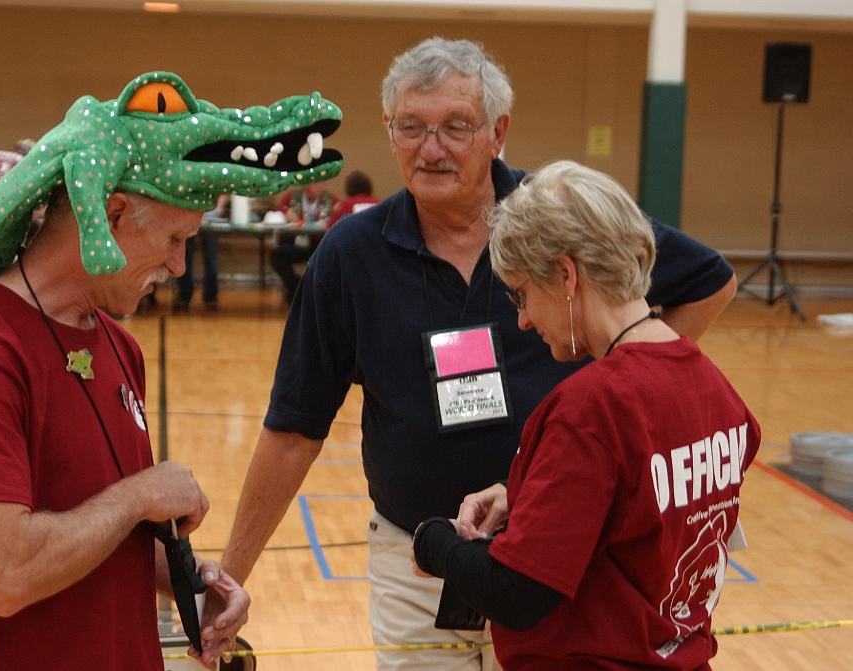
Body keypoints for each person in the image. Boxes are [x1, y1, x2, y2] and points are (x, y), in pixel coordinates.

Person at [218, 38, 738, 671]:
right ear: (389, 132)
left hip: (564, 562)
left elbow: (710, 279)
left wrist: (620, 384)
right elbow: (294, 428)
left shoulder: (560, 220)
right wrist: (231, 579)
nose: (430, 148)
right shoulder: (350, 256)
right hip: (419, 557)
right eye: (410, 127)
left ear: (499, 132)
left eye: (455, 127)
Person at [0, 70, 345, 671]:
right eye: (176, 238)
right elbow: (3, 573)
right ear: (111, 213)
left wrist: (191, 576)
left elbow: (98, 535)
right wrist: (138, 497)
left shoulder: (116, 345)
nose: (183, 266)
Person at [412, 160, 760, 669]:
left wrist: (433, 543)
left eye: (524, 293)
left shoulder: (591, 407)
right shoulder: (714, 387)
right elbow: (640, 510)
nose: (524, 319)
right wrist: (535, 497)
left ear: (567, 274)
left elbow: (518, 593)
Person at [269, 181, 336, 304]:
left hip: (317, 246)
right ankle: (296, 287)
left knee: (331, 258)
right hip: (295, 244)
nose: (319, 187)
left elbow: (337, 217)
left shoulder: (331, 200)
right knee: (277, 255)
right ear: (307, 184)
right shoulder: (291, 197)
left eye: (321, 184)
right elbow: (279, 211)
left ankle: (316, 293)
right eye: (315, 184)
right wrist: (286, 214)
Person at [173, 194, 224, 313]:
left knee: (209, 258)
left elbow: (223, 191)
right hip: (189, 215)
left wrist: (218, 207)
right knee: (185, 257)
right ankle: (186, 294)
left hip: (208, 217)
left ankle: (208, 296)